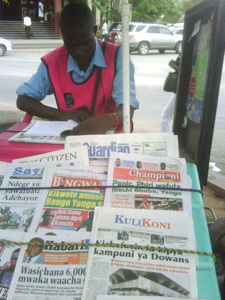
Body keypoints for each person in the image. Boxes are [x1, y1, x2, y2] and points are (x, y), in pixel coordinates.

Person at [16, 2, 139, 136]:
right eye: (70, 45)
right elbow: (23, 100)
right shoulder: (53, 62)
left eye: (85, 42)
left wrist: (108, 120)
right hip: (71, 142)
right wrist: (62, 115)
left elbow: (127, 109)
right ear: (63, 36)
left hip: (110, 138)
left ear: (94, 30)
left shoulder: (117, 57)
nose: (78, 52)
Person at [161, 55, 180, 132]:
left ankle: (165, 139)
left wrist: (174, 66)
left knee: (166, 116)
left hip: (182, 88)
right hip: (181, 89)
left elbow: (187, 72)